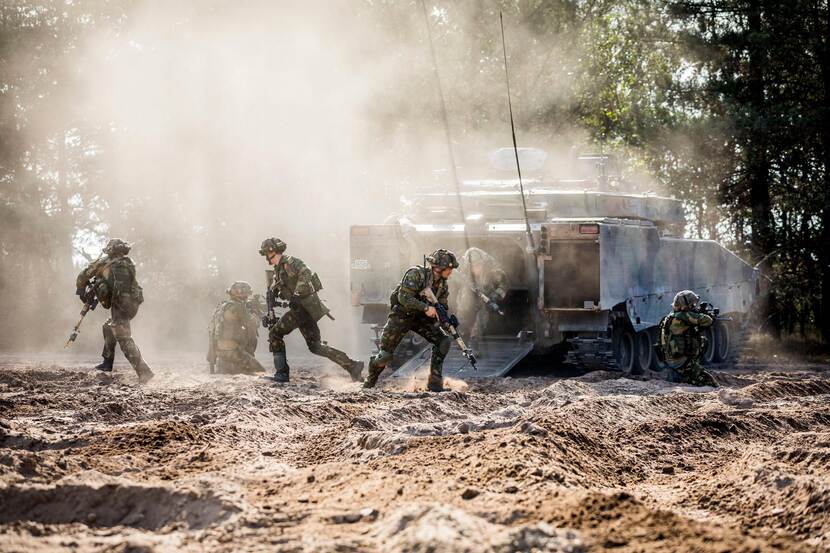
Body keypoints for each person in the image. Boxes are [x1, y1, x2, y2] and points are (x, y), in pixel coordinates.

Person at [259, 238, 363, 383]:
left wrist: (296, 294)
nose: (267, 259)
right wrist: (276, 293)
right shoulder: (279, 269)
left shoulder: (290, 262)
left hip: (302, 308)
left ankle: (281, 374)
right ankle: (352, 366)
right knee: (315, 346)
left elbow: (306, 273)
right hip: (303, 310)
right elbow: (283, 288)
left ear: (275, 252)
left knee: (275, 333)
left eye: (268, 255)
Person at [363, 249, 458, 392]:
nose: (451, 272)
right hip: (401, 315)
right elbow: (404, 297)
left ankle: (434, 383)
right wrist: (426, 308)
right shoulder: (416, 274)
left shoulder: (442, 285)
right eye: (449, 268)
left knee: (443, 341)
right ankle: (369, 382)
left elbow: (441, 306)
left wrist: (446, 321)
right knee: (385, 356)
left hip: (420, 319)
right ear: (439, 268)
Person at [75, 238, 154, 384]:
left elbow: (83, 275)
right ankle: (107, 363)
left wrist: (81, 290)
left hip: (120, 303)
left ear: (110, 250)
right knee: (109, 326)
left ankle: (144, 371)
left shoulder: (106, 262)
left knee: (123, 337)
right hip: (132, 305)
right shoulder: (129, 263)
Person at [659, 290, 718, 387]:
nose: (694, 306)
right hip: (682, 362)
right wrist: (705, 314)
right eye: (692, 304)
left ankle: (686, 374)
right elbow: (707, 320)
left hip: (671, 360)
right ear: (686, 305)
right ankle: (689, 372)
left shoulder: (671, 316)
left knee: (702, 340)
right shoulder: (684, 315)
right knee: (711, 384)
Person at [207, 281, 265, 375]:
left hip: (220, 353)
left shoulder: (222, 306)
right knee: (261, 372)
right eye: (246, 295)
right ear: (243, 295)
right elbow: (254, 324)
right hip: (234, 353)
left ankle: (230, 368)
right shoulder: (238, 307)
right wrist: (257, 313)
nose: (247, 298)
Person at [456, 247, 508, 347]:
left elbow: (504, 284)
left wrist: (495, 296)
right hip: (468, 294)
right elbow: (452, 276)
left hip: (486, 296)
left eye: (479, 265)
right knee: (463, 312)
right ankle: (462, 337)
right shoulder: (462, 269)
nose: (476, 268)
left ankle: (474, 340)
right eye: (473, 266)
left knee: (482, 316)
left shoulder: (493, 271)